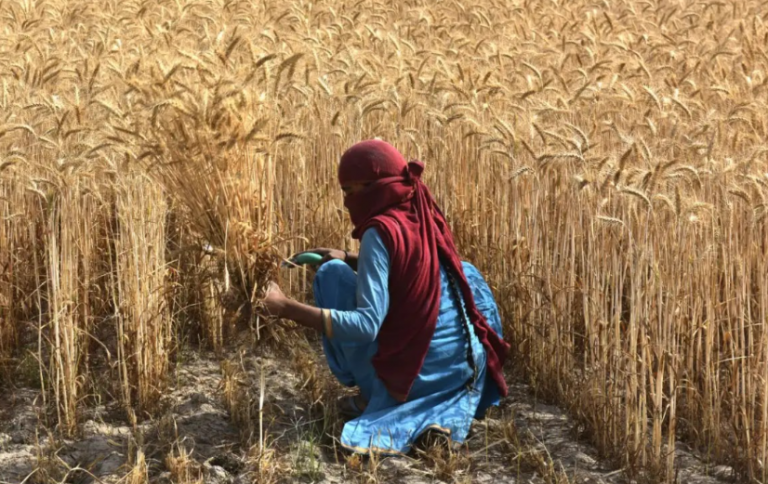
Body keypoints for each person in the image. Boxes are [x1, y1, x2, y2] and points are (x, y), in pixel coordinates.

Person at [263, 139, 509, 455]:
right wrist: (352, 257)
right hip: (459, 374)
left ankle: (374, 396)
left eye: (351, 191)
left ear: (375, 186)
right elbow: (412, 265)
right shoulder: (420, 210)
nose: (347, 202)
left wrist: (284, 307)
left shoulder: (379, 230)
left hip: (414, 378)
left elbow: (365, 326)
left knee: (330, 275)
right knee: (467, 271)